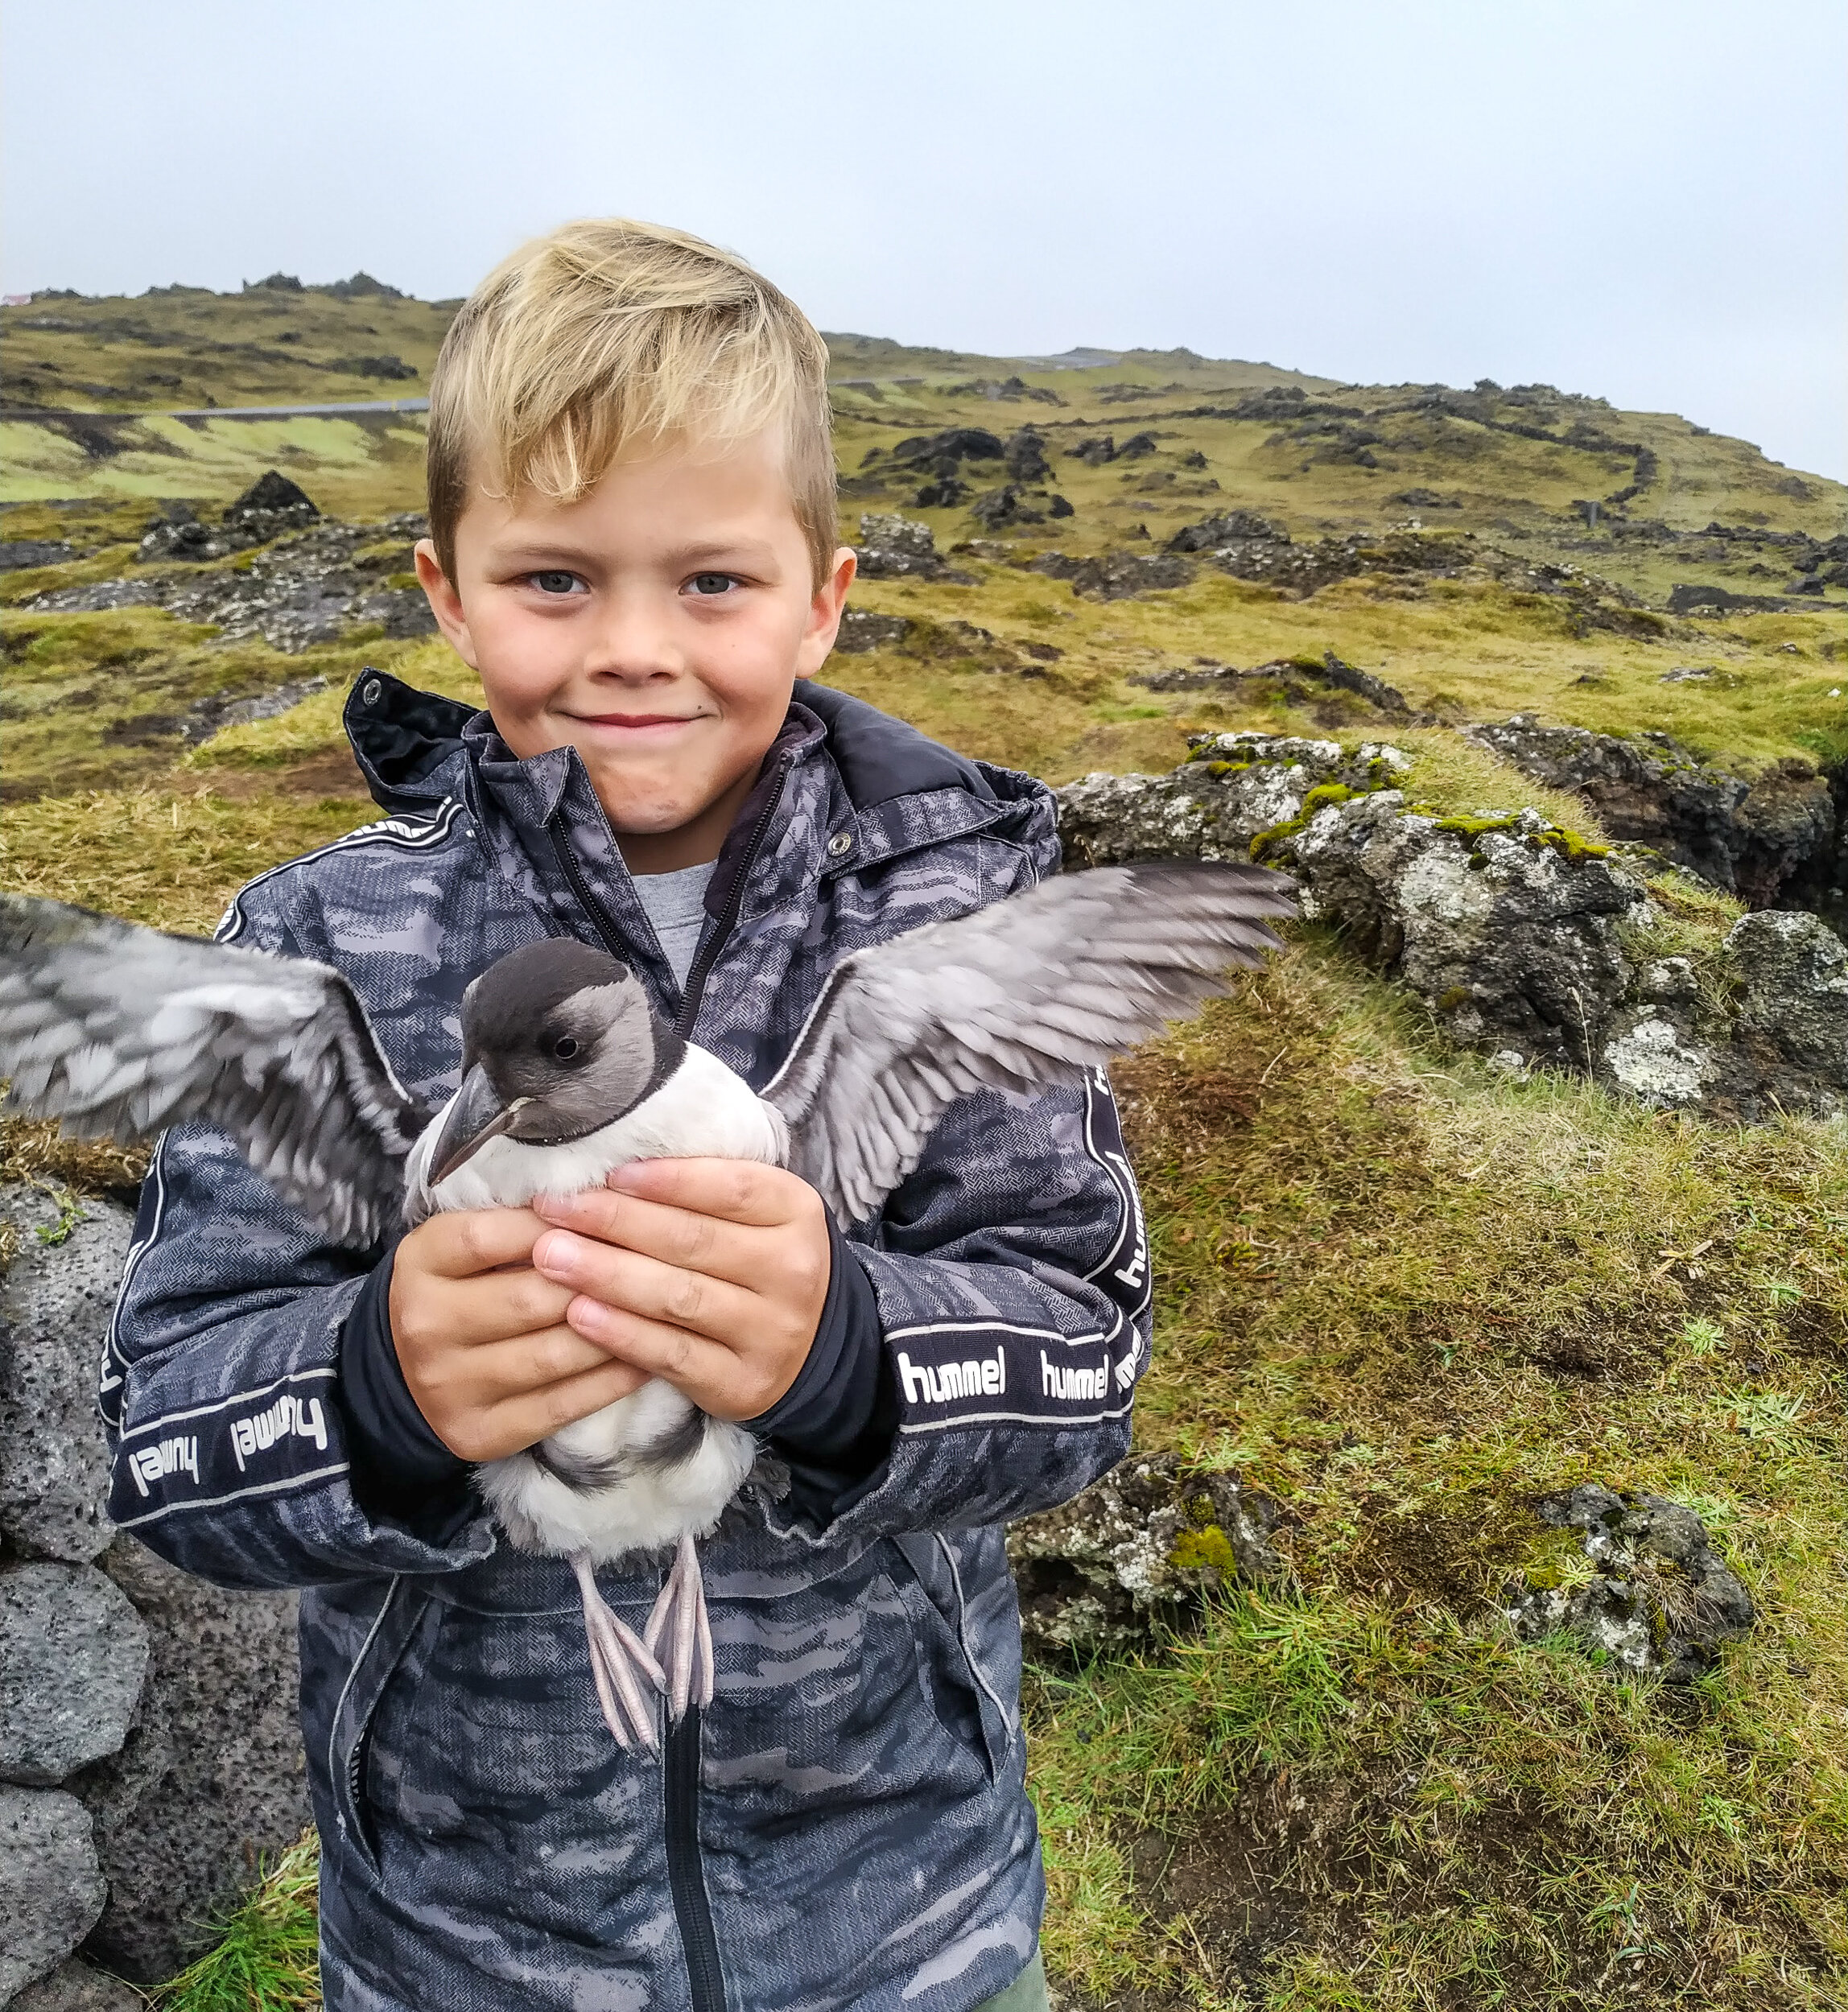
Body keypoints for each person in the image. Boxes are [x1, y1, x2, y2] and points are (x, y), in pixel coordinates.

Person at [105, 218, 1149, 2012]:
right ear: (445, 590)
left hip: (905, 1924)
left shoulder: (943, 915)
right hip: (462, 1942)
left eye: (714, 585)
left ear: (824, 591)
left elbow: (1084, 1363)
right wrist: (375, 1390)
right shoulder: (316, 946)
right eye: (557, 580)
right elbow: (166, 1447)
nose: (635, 649)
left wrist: (853, 1355)